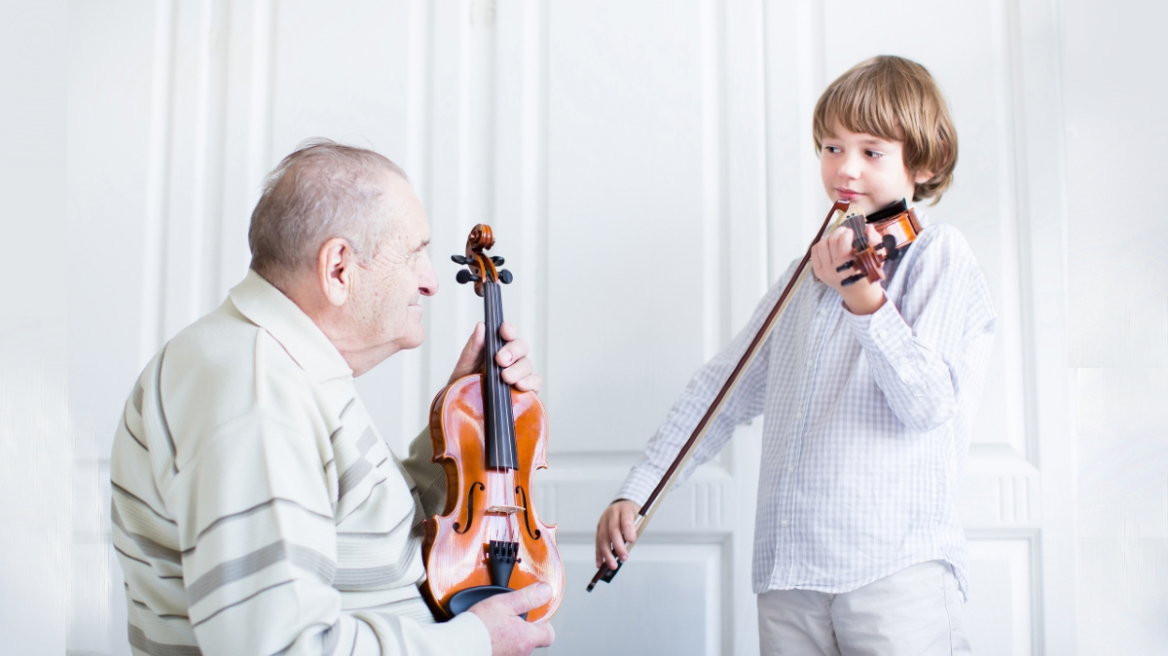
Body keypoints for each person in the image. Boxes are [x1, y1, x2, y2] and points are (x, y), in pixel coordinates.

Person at [595, 56, 995, 655]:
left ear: (926, 161)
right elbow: (722, 390)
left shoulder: (939, 255)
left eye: (871, 151)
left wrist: (866, 302)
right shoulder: (810, 273)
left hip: (895, 573)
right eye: (832, 148)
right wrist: (641, 487)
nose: (845, 168)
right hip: (790, 574)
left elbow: (929, 403)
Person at [110, 141, 555, 656]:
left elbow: (370, 533)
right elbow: (278, 647)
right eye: (416, 253)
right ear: (339, 268)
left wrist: (466, 424)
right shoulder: (258, 394)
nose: (432, 282)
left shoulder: (285, 364)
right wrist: (473, 640)